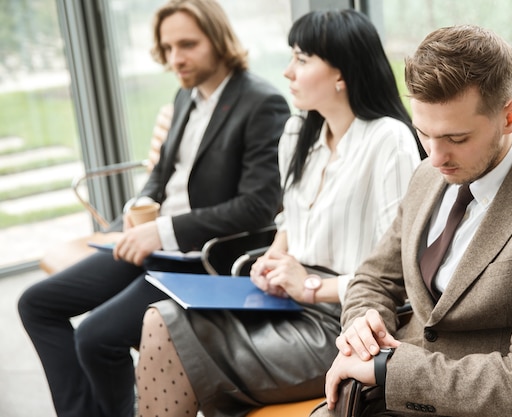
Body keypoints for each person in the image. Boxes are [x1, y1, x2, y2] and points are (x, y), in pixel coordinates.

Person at [315, 24, 512, 417]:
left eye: (456, 138)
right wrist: (362, 325)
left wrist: (387, 369)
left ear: (509, 117)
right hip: (381, 398)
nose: (436, 155)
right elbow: (374, 278)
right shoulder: (428, 175)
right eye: (423, 133)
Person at [133, 9, 424, 417]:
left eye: (302, 60)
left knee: (170, 332)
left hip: (345, 321)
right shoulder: (298, 133)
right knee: (160, 318)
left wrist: (308, 285)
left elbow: (400, 275)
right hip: (287, 303)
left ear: (343, 73)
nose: (288, 72)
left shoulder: (387, 140)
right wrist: (272, 256)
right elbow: (290, 219)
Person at [17, 0, 290, 415]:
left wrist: (162, 230)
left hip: (200, 258)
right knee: (36, 304)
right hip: (156, 244)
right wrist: (142, 201)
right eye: (167, 48)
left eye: (187, 44)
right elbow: (161, 172)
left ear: (218, 39)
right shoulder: (187, 96)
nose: (175, 58)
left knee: (95, 337)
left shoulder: (261, 103)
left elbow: (256, 207)